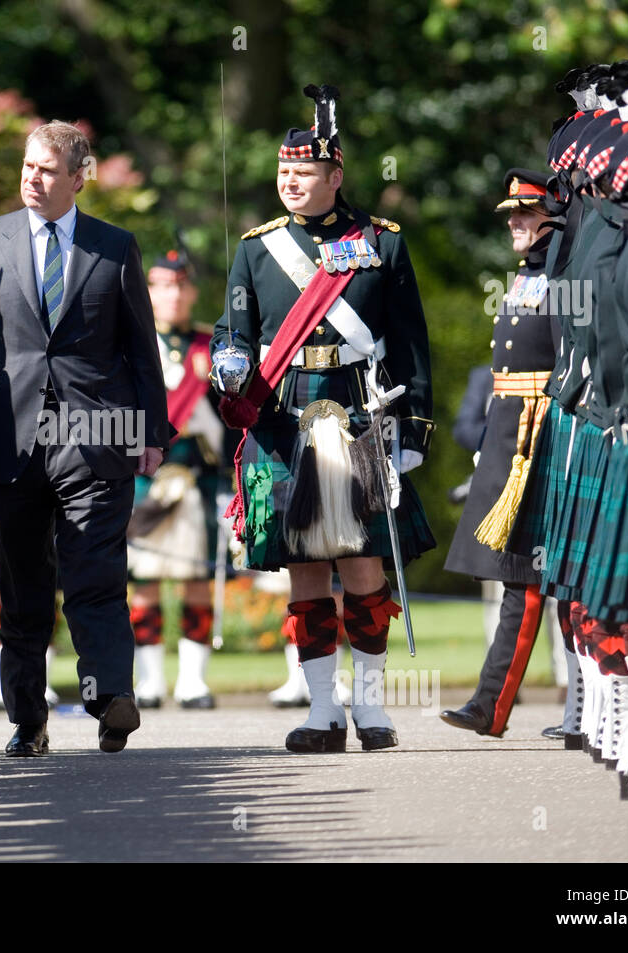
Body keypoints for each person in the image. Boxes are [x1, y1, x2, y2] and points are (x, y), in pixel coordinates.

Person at [211, 84, 435, 753]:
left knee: (364, 563)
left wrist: (413, 431)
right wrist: (228, 361)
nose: (289, 181)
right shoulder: (258, 248)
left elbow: (412, 345)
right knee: (305, 568)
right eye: (283, 172)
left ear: (335, 176)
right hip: (284, 417)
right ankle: (320, 711)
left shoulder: (383, 245)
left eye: (303, 172)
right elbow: (236, 329)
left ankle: (370, 707)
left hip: (360, 413)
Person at [0, 121, 171, 756]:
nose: (31, 178)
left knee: (96, 575)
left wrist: (152, 429)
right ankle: (28, 719)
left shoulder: (114, 246)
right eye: (26, 166)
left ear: (79, 177)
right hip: (8, 439)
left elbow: (140, 345)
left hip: (97, 435)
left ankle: (108, 699)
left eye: (46, 169)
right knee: (23, 586)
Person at [441, 169, 565, 738]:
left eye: (525, 213)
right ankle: (491, 705)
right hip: (513, 432)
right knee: (521, 576)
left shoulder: (564, 271)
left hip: (544, 435)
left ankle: (579, 709)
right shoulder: (531, 273)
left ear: (553, 216)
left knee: (540, 576)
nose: (514, 223)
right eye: (512, 214)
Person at [128, 246, 227, 709]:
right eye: (162, 286)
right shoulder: (130, 342)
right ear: (149, 291)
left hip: (196, 477)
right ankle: (149, 682)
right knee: (142, 580)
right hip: (144, 475)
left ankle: (193, 682)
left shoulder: (211, 346)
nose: (172, 295)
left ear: (192, 291)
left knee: (196, 578)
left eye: (180, 286)